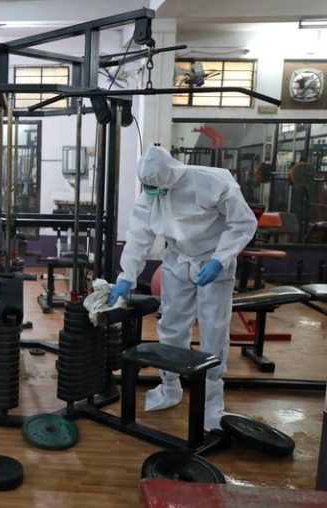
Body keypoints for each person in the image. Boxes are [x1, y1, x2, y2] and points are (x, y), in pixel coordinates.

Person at [108, 145, 257, 430]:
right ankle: (170, 387)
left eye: (157, 186)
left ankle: (213, 401)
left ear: (171, 175)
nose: (154, 191)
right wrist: (126, 276)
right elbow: (139, 236)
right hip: (177, 261)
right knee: (172, 326)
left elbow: (243, 223)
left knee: (214, 328)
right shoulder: (151, 195)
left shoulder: (213, 182)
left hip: (213, 262)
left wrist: (220, 259)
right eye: (149, 186)